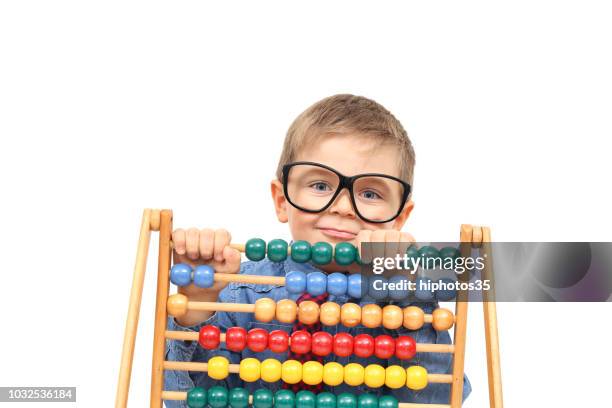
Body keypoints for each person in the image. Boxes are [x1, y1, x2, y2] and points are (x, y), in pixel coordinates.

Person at [164, 94, 471, 407]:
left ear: (399, 218)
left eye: (369, 193)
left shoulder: (401, 305)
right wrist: (197, 301)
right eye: (321, 186)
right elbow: (185, 401)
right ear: (282, 201)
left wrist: (408, 289)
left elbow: (435, 400)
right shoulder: (235, 295)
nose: (342, 207)